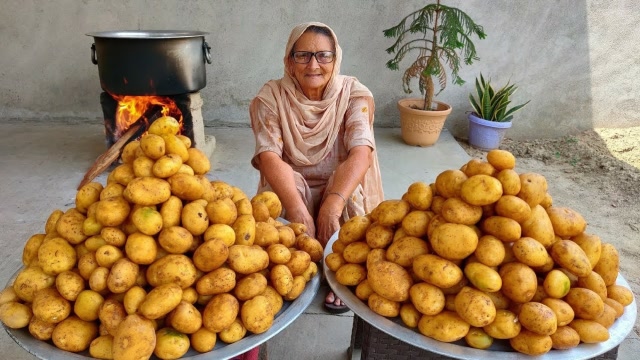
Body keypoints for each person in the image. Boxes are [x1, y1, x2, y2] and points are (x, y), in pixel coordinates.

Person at [249, 22, 384, 314]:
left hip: (339, 187)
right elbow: (270, 157)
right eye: (303, 55)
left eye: (324, 56)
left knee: (348, 189)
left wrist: (331, 206)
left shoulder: (353, 94)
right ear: (289, 61)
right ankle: (294, 270)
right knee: (281, 194)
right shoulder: (271, 97)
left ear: (336, 60)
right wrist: (297, 209)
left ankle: (342, 269)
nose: (314, 64)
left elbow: (361, 153)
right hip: (292, 187)